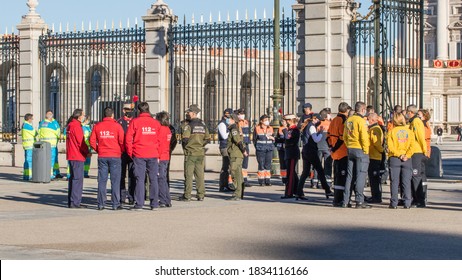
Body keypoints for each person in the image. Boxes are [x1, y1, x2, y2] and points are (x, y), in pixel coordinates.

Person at [125, 102, 162, 210]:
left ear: (139, 110)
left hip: (139, 153)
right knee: (153, 179)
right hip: (153, 153)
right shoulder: (156, 123)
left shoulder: (134, 122)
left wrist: (130, 152)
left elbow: (128, 139)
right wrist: (158, 153)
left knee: (139, 179)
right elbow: (160, 140)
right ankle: (154, 203)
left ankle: (139, 203)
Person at [90, 107, 124, 210]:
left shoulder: (97, 126)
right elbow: (122, 141)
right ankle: (115, 203)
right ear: (112, 115)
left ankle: (101, 203)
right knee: (115, 181)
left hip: (102, 155)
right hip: (115, 155)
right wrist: (120, 151)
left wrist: (98, 149)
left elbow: (91, 141)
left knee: (102, 180)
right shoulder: (117, 126)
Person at [296, 113, 333, 200]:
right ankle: (327, 190)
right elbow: (316, 139)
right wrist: (320, 133)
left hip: (305, 150)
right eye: (319, 120)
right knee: (320, 170)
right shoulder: (312, 126)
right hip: (311, 151)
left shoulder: (306, 126)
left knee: (305, 172)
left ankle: (298, 192)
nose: (319, 122)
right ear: (315, 119)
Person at [179, 104, 211, 202]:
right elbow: (208, 139)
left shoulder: (189, 125)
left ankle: (187, 195)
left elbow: (184, 139)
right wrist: (201, 145)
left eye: (189, 112)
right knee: (200, 175)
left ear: (193, 113)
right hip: (200, 153)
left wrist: (187, 147)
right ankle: (201, 194)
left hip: (190, 153)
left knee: (188, 175)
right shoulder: (203, 124)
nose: (187, 114)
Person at [343, 101, 371, 209]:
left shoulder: (349, 120)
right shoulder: (361, 121)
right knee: (361, 175)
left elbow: (344, 136)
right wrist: (366, 150)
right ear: (363, 110)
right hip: (360, 149)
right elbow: (364, 137)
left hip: (350, 149)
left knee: (350, 175)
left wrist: (348, 145)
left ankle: (346, 200)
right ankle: (359, 200)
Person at [387, 113, 415, 209]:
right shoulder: (409, 131)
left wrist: (399, 154)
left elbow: (390, 147)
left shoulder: (391, 132)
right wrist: (406, 155)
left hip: (395, 158)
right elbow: (412, 146)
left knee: (394, 181)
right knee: (406, 181)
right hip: (407, 159)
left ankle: (394, 202)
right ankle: (407, 202)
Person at [327, 102, 350, 207]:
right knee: (342, 176)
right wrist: (335, 148)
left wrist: (331, 147)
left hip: (334, 152)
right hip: (342, 152)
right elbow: (342, 138)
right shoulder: (343, 120)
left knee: (336, 176)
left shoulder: (334, 120)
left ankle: (336, 198)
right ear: (346, 110)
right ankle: (339, 199)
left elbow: (328, 135)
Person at [66, 109, 89, 208]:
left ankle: (72, 201)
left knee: (73, 179)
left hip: (71, 154)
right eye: (83, 115)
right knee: (78, 179)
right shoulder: (76, 126)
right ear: (79, 116)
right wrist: (87, 151)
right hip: (77, 155)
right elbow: (81, 142)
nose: (84, 117)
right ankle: (75, 201)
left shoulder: (70, 125)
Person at [406, 105, 428, 208]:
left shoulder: (416, 122)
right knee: (413, 176)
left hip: (417, 151)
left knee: (416, 176)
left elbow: (420, 137)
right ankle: (415, 198)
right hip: (413, 151)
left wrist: (424, 150)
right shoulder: (412, 121)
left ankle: (419, 200)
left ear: (410, 112)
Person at [226, 114, 248, 200]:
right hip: (237, 154)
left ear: (233, 120)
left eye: (229, 119)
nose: (228, 120)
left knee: (234, 173)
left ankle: (237, 193)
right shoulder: (236, 128)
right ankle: (240, 193)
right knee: (239, 174)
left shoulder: (234, 129)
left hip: (235, 154)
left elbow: (238, 141)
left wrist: (243, 150)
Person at [117, 103, 135, 204]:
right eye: (127, 109)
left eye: (131, 109)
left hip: (132, 152)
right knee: (121, 175)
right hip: (122, 153)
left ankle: (132, 196)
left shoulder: (135, 121)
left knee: (132, 175)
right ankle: (122, 196)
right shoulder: (119, 122)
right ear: (124, 110)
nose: (129, 111)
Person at [38, 110, 62, 179]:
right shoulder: (54, 124)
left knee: (52, 160)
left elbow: (39, 133)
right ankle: (51, 174)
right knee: (52, 160)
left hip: (44, 144)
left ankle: (56, 172)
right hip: (52, 145)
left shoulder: (42, 123)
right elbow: (58, 133)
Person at [156, 111, 173, 208]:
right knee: (163, 178)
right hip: (166, 156)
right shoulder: (168, 129)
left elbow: (159, 144)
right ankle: (167, 199)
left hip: (161, 156)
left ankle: (162, 199)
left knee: (160, 178)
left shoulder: (161, 129)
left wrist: (157, 157)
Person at [366, 113, 384, 204]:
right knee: (373, 179)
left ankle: (376, 197)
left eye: (368, 119)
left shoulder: (374, 129)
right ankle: (375, 196)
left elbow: (376, 143)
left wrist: (381, 151)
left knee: (374, 179)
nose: (367, 121)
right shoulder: (373, 128)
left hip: (374, 156)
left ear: (372, 120)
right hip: (373, 155)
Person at [253, 114, 275, 186]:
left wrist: (272, 139)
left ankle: (267, 180)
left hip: (269, 148)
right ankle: (261, 180)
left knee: (268, 165)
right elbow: (254, 139)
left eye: (267, 120)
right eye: (265, 120)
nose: (267, 121)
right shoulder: (257, 128)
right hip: (260, 149)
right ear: (261, 121)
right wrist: (257, 146)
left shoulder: (270, 128)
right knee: (261, 164)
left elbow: (274, 137)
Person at [282, 114, 300, 199]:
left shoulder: (294, 130)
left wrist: (285, 130)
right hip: (289, 152)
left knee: (290, 174)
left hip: (292, 153)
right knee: (293, 173)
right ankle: (298, 190)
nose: (285, 122)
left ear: (290, 121)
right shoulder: (290, 129)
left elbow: (288, 137)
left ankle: (289, 193)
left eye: (286, 120)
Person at [314, 109, 333, 188]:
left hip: (318, 147)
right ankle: (327, 183)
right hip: (327, 148)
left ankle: (315, 182)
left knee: (317, 165)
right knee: (328, 165)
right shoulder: (330, 124)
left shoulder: (317, 124)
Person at [217, 108, 233, 192]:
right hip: (225, 147)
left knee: (229, 166)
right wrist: (232, 131)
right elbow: (224, 136)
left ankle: (226, 184)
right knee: (225, 166)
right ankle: (223, 185)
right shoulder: (222, 124)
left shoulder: (229, 124)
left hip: (229, 146)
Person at [236, 109, 251, 187]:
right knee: (239, 162)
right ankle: (239, 179)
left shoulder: (246, 122)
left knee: (245, 163)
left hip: (246, 143)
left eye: (243, 113)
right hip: (240, 144)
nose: (242, 115)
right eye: (240, 114)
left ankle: (245, 179)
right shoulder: (237, 123)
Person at [21, 114, 37, 181]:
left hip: (26, 145)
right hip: (29, 145)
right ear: (29, 119)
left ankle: (26, 175)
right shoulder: (28, 126)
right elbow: (35, 133)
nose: (32, 120)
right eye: (32, 119)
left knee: (26, 161)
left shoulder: (24, 125)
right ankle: (29, 176)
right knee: (29, 161)